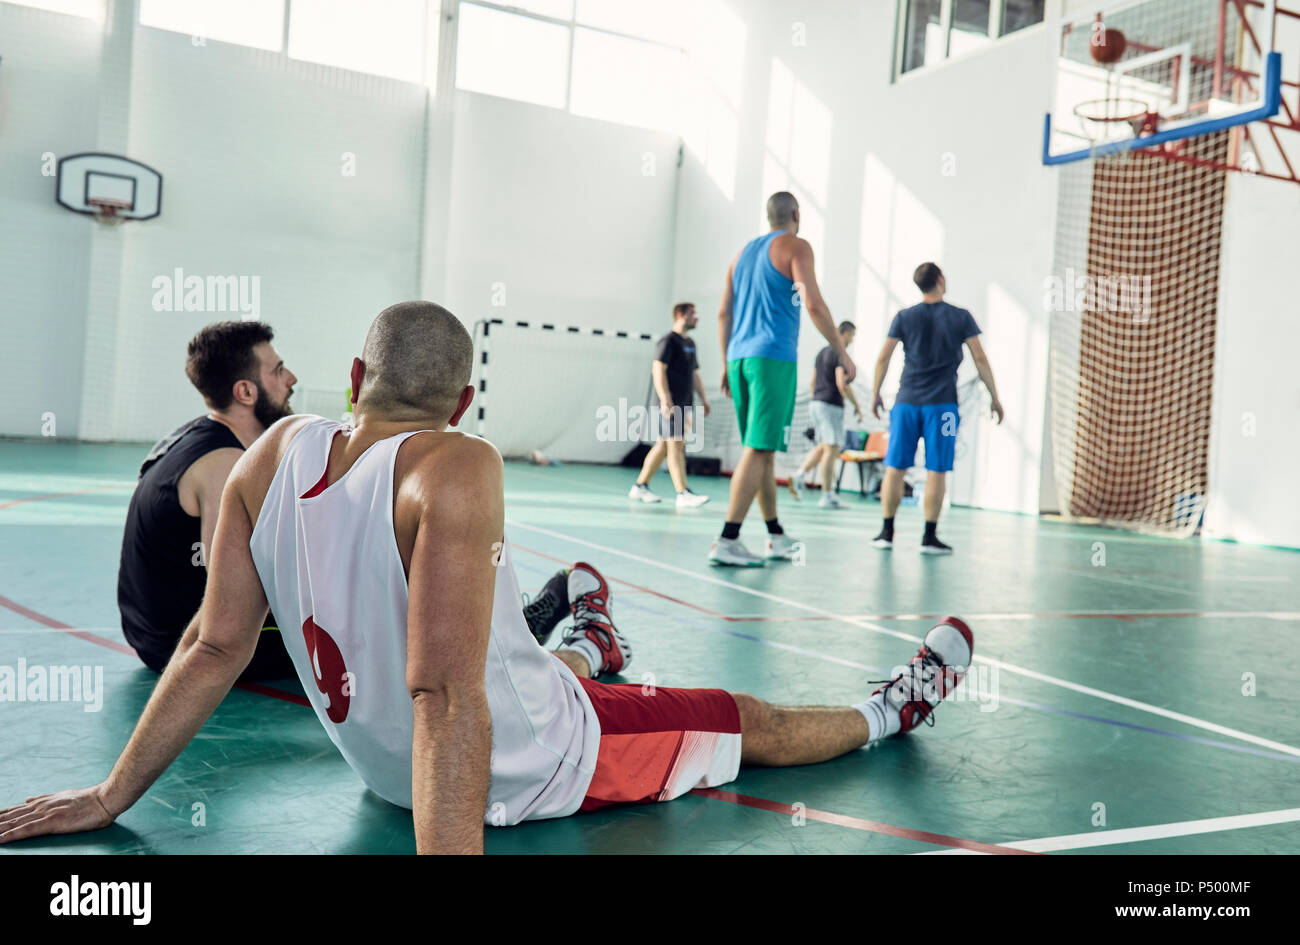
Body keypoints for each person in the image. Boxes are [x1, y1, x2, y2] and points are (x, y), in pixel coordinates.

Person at [0, 302, 974, 855]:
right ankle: (896, 706)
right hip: (528, 767)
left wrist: (108, 794)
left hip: (390, 777)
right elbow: (445, 695)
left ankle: (584, 642)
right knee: (744, 717)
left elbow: (212, 645)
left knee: (526, 667)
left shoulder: (270, 454)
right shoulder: (456, 464)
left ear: (352, 373)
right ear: (465, 401)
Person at [117, 321, 299, 680]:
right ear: (246, 392)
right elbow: (233, 593)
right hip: (179, 646)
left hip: (148, 633)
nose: (291, 378)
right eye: (278, 371)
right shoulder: (224, 466)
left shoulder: (189, 433)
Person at [708, 192, 856, 566]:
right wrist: (842, 351)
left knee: (764, 448)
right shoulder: (797, 246)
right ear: (795, 214)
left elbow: (724, 312)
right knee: (758, 449)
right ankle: (727, 539)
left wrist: (727, 361)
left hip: (739, 358)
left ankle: (774, 535)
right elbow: (814, 304)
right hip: (771, 358)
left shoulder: (740, 255)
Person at [869, 263, 1004, 554]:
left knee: (895, 467)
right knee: (937, 470)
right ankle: (929, 538)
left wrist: (875, 393)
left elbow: (883, 358)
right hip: (942, 407)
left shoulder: (904, 316)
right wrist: (995, 396)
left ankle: (886, 533)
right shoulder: (960, 316)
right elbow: (979, 358)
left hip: (906, 404)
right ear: (941, 280)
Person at [628, 302, 711, 509]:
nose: (697, 317)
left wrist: (704, 399)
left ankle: (640, 486)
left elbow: (694, 373)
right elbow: (658, 369)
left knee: (663, 445)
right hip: (669, 403)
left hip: (685, 403)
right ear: (681, 316)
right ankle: (682, 492)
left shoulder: (690, 342)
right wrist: (665, 399)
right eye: (693, 314)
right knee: (676, 443)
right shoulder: (668, 341)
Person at [789, 320, 863, 509]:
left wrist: (817, 400)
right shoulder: (840, 354)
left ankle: (799, 475)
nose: (853, 340)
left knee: (823, 446)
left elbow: (813, 382)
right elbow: (841, 383)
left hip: (817, 404)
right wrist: (857, 405)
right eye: (853, 336)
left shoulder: (822, 352)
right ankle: (827, 495)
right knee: (832, 450)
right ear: (846, 334)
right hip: (830, 405)